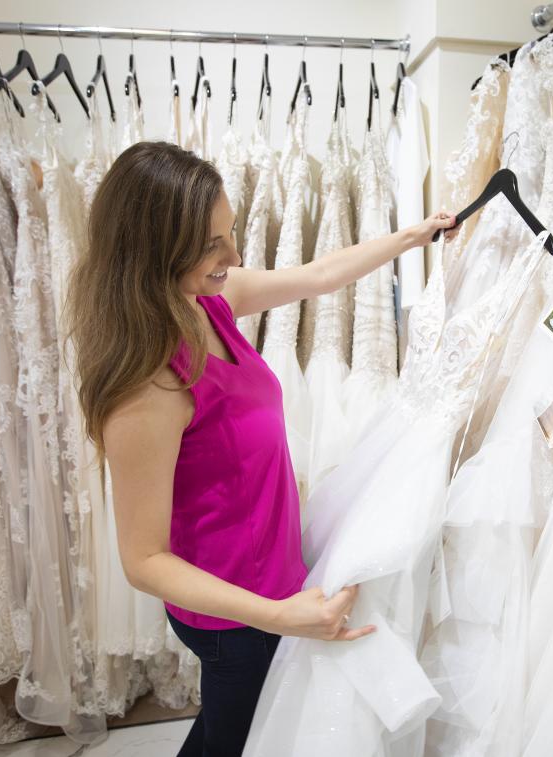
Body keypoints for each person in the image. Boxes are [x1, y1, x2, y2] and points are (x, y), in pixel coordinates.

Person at [66, 142, 456, 756]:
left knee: (241, 728)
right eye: (211, 244)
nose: (234, 255)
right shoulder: (148, 382)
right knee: (238, 735)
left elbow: (320, 276)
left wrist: (413, 237)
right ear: (154, 252)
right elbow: (143, 560)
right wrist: (276, 618)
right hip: (237, 617)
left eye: (231, 233)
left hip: (268, 584)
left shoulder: (206, 303)